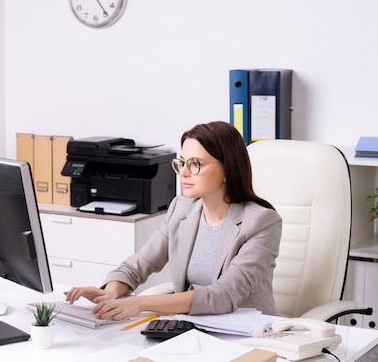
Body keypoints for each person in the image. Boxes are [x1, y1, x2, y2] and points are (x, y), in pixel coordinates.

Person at [64, 121, 282, 319]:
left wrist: (141, 303)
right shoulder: (181, 209)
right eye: (182, 163)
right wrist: (109, 292)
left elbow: (224, 295)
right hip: (193, 327)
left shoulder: (261, 222)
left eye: (196, 164)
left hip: (248, 334)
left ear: (227, 169)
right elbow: (137, 265)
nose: (184, 173)